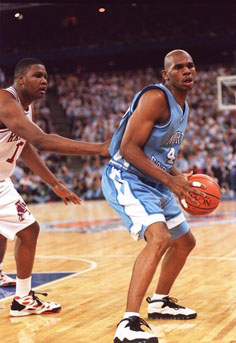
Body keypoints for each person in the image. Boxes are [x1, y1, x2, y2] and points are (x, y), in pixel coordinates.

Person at [102, 49, 206, 343]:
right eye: (179, 67)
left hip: (154, 181)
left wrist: (177, 175)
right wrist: (171, 182)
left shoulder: (183, 106)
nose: (187, 71)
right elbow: (129, 149)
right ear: (166, 74)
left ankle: (160, 301)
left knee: (185, 242)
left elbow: (160, 155)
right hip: (126, 177)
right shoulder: (155, 98)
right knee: (159, 238)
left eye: (191, 66)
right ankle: (128, 322)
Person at [0, 58, 109, 316]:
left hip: (2, 180)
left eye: (46, 76)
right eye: (38, 75)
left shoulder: (25, 109)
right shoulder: (5, 102)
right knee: (29, 231)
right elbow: (41, 141)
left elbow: (24, 146)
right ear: (20, 79)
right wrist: (99, 148)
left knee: (4, 231)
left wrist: (54, 183)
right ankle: (23, 300)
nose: (44, 80)